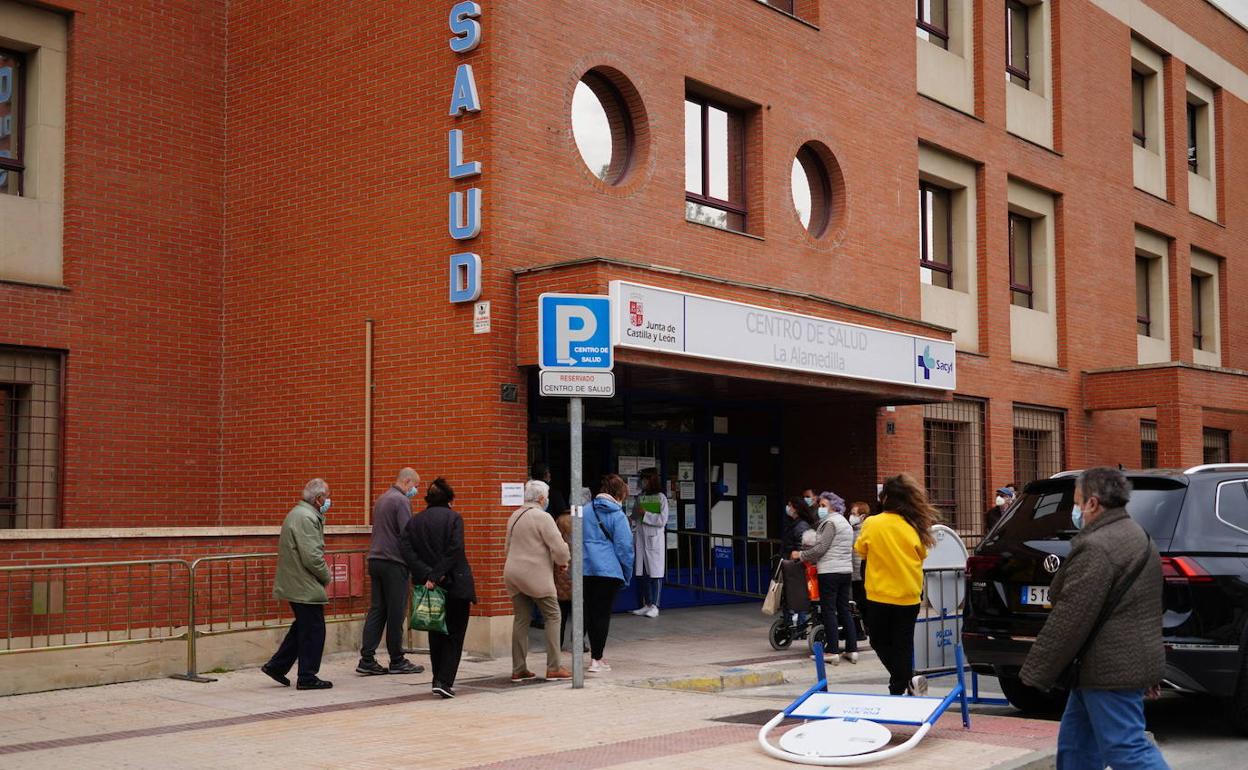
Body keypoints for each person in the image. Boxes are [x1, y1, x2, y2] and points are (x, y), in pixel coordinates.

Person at [1020, 467, 1168, 770]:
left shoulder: (1097, 547)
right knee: (1077, 749)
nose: (1074, 510)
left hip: (1108, 669)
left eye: (1076, 501)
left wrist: (1035, 672)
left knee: (1126, 750)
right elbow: (1147, 608)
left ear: (1093, 503)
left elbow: (1070, 619)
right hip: (1103, 667)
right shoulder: (1138, 535)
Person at [854, 474, 935, 696]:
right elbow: (921, 553)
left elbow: (861, 550)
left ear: (886, 497)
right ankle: (904, 683)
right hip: (910, 593)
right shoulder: (913, 524)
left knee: (879, 641)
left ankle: (902, 682)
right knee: (903, 642)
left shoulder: (872, 522)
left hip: (880, 594)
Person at [403, 477, 477, 699]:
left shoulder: (415, 522)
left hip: (428, 587)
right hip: (454, 584)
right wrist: (437, 574)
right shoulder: (454, 518)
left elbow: (406, 550)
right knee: (454, 633)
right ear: (450, 499)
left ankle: (437, 678)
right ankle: (445, 681)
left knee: (436, 633)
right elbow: (455, 549)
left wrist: (427, 575)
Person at [263, 478, 334, 690]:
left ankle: (276, 666)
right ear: (319, 498)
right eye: (327, 497)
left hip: (296, 580)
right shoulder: (306, 517)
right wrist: (326, 576)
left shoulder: (302, 514)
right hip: (303, 582)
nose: (329, 501)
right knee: (314, 629)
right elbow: (312, 555)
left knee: (303, 626)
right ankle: (307, 676)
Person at [357, 468, 425, 676]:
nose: (416, 490)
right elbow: (407, 534)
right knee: (396, 611)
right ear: (407, 481)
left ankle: (367, 658)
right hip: (394, 562)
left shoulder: (382, 499)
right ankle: (397, 659)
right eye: (415, 486)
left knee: (378, 609)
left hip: (376, 559)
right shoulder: (401, 501)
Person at [504, 480, 572, 682]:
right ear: (542, 498)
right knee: (553, 615)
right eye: (547, 496)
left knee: (521, 619)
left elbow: (506, 547)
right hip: (535, 575)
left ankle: (519, 668)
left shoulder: (515, 515)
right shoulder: (543, 517)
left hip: (513, 573)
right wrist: (563, 562)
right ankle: (554, 667)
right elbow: (559, 547)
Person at [583, 473, 634, 673]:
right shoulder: (618, 515)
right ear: (619, 493)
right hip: (608, 572)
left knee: (589, 612)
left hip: (585, 569)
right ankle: (597, 658)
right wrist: (626, 573)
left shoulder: (585, 511)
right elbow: (625, 548)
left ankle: (593, 656)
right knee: (602, 615)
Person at [803, 492, 858, 664]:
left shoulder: (830, 523)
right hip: (845, 571)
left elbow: (821, 548)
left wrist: (802, 555)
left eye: (823, 506)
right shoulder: (846, 524)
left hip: (830, 571)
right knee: (844, 609)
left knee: (828, 610)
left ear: (833, 507)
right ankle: (851, 649)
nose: (820, 509)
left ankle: (832, 651)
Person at [630, 467, 669, 618]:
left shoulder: (661, 498)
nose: (643, 482)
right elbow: (634, 515)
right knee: (643, 574)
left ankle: (655, 605)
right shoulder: (641, 497)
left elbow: (662, 520)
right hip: (640, 538)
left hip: (654, 539)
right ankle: (647, 604)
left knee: (655, 574)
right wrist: (631, 517)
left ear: (651, 480)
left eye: (645, 479)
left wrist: (645, 514)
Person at [781, 496, 818, 628]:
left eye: (790, 505)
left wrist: (794, 558)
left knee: (797, 595)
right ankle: (791, 622)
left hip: (796, 565)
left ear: (795, 509)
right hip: (792, 563)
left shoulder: (800, 525)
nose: (788, 508)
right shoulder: (794, 523)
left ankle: (799, 624)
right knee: (793, 595)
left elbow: (803, 546)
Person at [847, 501, 871, 629]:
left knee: (863, 602)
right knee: (856, 603)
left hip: (862, 573)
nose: (851, 516)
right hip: (853, 573)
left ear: (862, 517)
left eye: (853, 514)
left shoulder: (865, 531)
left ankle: (867, 627)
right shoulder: (851, 530)